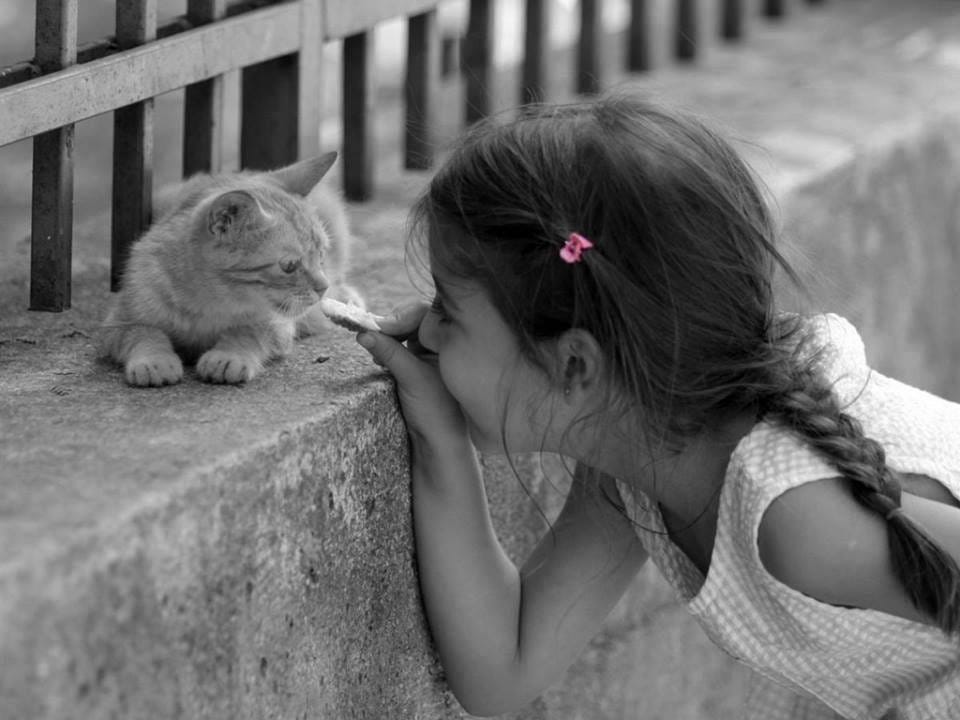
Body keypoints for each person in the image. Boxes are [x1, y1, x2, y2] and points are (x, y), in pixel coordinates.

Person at [355, 93, 960, 719]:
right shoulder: (637, 458)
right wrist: (439, 440)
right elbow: (502, 671)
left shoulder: (795, 516)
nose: (426, 331)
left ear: (575, 365)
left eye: (448, 311)